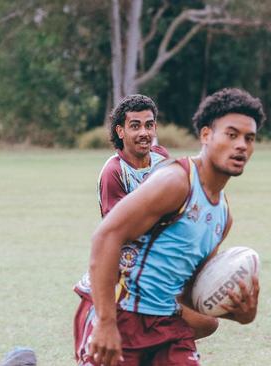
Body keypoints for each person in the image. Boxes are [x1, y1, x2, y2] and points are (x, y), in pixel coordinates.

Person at [87, 88, 263, 366]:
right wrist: (106, 321)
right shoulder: (176, 181)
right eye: (231, 135)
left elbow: (189, 288)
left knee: (208, 323)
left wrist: (237, 313)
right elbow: (106, 235)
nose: (241, 145)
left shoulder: (222, 216)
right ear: (206, 136)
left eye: (249, 138)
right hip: (124, 314)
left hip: (169, 325)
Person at [73, 94, 218, 365]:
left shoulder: (161, 158)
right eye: (135, 125)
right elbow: (120, 233)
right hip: (124, 278)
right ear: (120, 130)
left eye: (149, 125)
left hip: (157, 272)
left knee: (207, 322)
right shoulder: (114, 172)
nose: (144, 132)